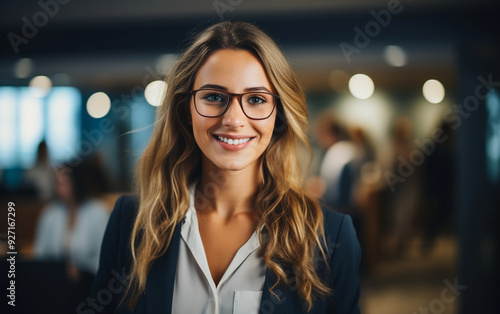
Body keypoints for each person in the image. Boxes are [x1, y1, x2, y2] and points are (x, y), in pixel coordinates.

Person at [90, 21, 361, 314]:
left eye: (256, 99)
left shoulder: (330, 238)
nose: (233, 119)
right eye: (214, 96)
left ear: (278, 116)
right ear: (186, 109)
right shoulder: (130, 224)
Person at [34, 160, 110, 276]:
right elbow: (40, 254)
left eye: (63, 181)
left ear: (77, 181)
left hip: (89, 281)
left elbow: (105, 259)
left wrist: (81, 270)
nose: (58, 186)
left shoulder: (98, 212)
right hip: (53, 280)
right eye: (57, 181)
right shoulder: (49, 213)